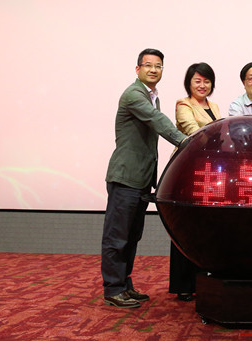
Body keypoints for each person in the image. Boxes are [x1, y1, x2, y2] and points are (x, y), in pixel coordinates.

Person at [101, 48, 187, 309]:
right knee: (117, 237)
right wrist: (186, 142)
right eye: (148, 65)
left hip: (140, 179)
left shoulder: (151, 97)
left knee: (131, 236)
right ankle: (113, 289)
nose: (153, 70)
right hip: (125, 177)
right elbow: (157, 121)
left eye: (158, 66)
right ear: (137, 69)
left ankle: (124, 284)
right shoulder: (134, 95)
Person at [169, 62, 221, 302]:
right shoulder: (183, 104)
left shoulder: (215, 107)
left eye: (207, 81)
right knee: (186, 224)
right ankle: (184, 284)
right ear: (189, 83)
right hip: (188, 170)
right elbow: (193, 132)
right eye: (197, 81)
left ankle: (203, 280)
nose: (202, 85)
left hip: (209, 172)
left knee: (207, 226)